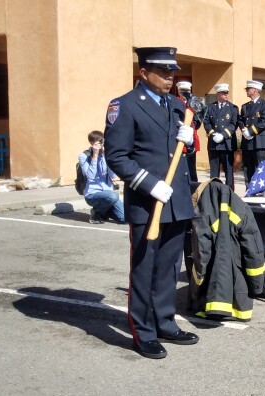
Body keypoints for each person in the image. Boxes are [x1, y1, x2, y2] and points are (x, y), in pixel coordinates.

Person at [104, 47, 198, 359]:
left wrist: (189, 142)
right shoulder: (125, 106)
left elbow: (176, 152)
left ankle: (165, 321)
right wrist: (149, 184)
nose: (170, 77)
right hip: (148, 203)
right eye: (162, 71)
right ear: (143, 73)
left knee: (170, 267)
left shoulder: (176, 105)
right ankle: (143, 331)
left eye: (172, 71)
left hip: (176, 200)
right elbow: (116, 155)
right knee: (145, 268)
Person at [78, 131, 125, 224]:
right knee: (113, 196)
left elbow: (113, 176)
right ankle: (96, 211)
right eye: (98, 142)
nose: (100, 145)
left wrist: (107, 157)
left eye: (102, 142)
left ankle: (103, 212)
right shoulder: (84, 156)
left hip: (108, 193)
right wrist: (95, 155)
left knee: (124, 218)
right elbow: (90, 176)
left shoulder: (106, 154)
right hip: (92, 194)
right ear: (91, 143)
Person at [203, 83, 239, 189]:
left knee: (229, 171)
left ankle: (229, 194)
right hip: (214, 143)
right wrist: (213, 134)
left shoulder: (232, 108)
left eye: (227, 93)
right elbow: (206, 122)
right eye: (224, 93)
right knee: (214, 171)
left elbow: (234, 124)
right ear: (218, 94)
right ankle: (214, 192)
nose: (226, 95)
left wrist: (223, 135)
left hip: (227, 143)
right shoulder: (210, 107)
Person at [238, 80, 265, 185]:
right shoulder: (245, 106)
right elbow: (240, 120)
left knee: (261, 168)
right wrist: (243, 129)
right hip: (247, 142)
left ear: (255, 90)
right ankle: (249, 191)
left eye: (248, 89)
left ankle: (263, 191)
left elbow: (264, 121)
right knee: (247, 168)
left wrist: (250, 132)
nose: (247, 91)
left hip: (260, 142)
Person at [175, 81, 202, 182]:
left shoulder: (194, 103)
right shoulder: (175, 102)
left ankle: (193, 186)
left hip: (191, 137)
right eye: (183, 91)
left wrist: (192, 125)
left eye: (187, 91)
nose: (185, 93)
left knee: (191, 166)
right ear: (178, 92)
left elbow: (199, 120)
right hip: (179, 136)